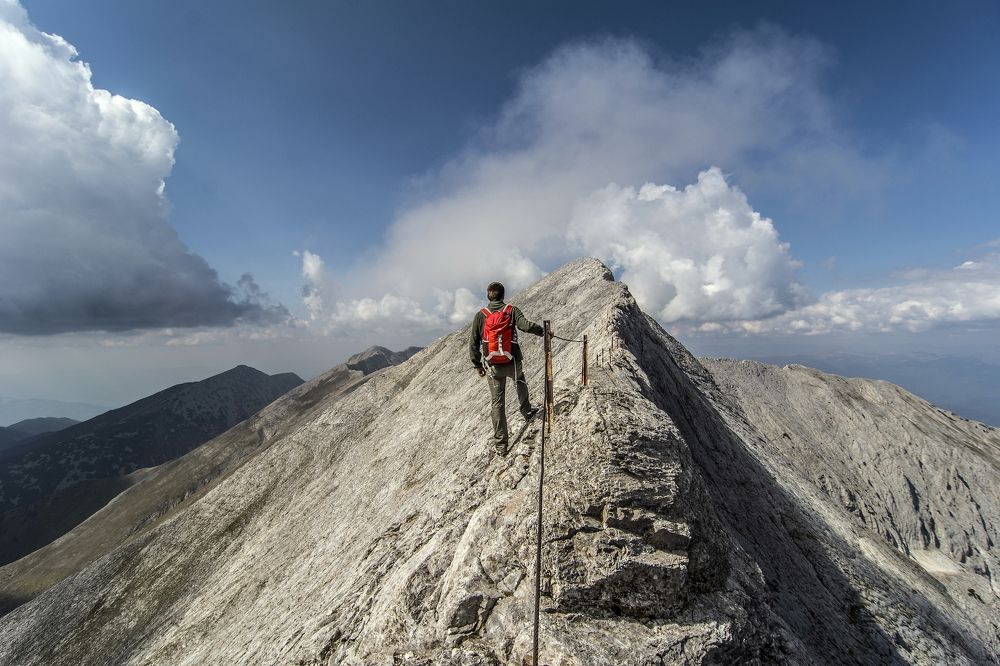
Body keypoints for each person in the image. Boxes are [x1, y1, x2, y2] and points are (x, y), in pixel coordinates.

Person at [470, 281, 543, 455]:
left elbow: (473, 342)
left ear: (488, 295)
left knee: (497, 404)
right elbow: (525, 326)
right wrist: (543, 331)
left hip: (493, 366)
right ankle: (526, 411)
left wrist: (477, 364)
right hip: (512, 360)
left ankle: (501, 445)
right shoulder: (511, 310)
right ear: (503, 295)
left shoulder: (481, 315)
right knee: (520, 382)